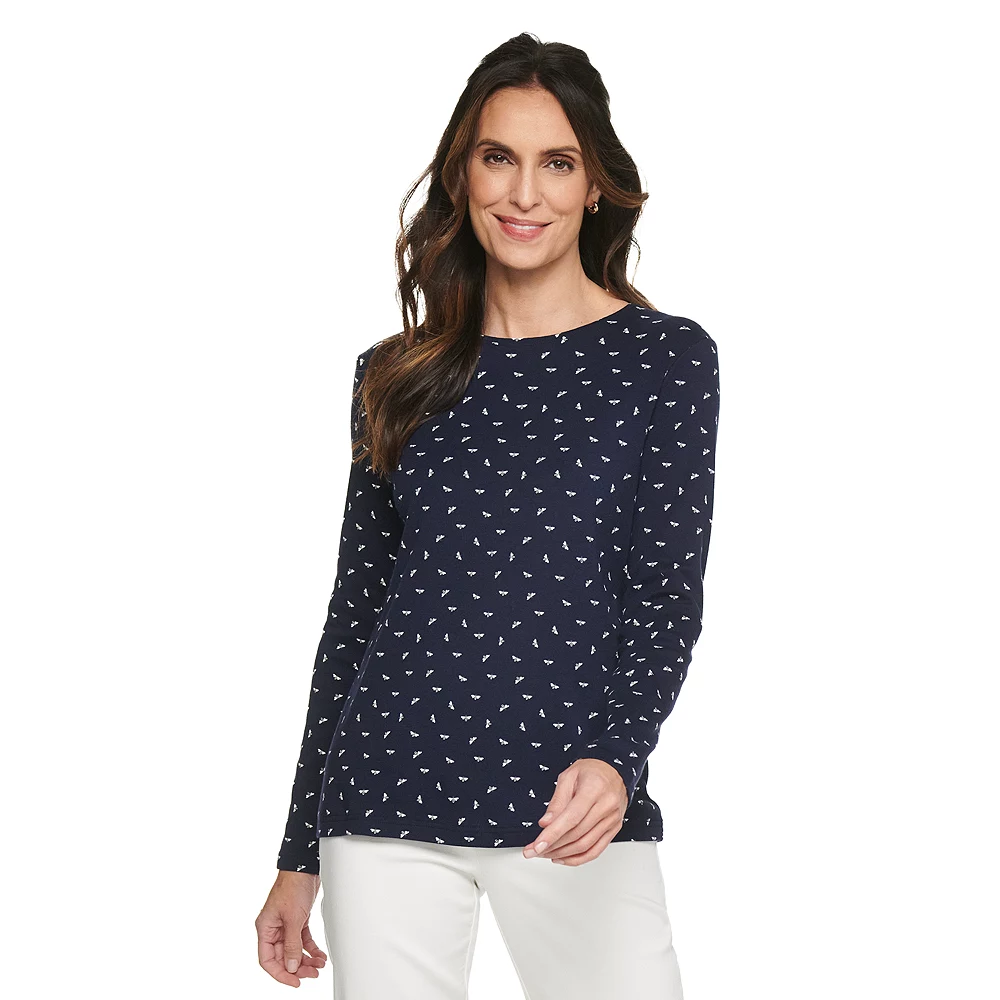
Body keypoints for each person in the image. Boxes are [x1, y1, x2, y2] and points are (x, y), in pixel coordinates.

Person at [255, 31, 720, 999]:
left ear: (595, 186)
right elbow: (355, 617)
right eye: (498, 157)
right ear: (463, 174)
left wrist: (616, 757)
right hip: (384, 799)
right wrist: (298, 851)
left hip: (572, 805)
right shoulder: (395, 374)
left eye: (558, 163)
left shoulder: (664, 360)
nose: (524, 193)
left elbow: (663, 595)